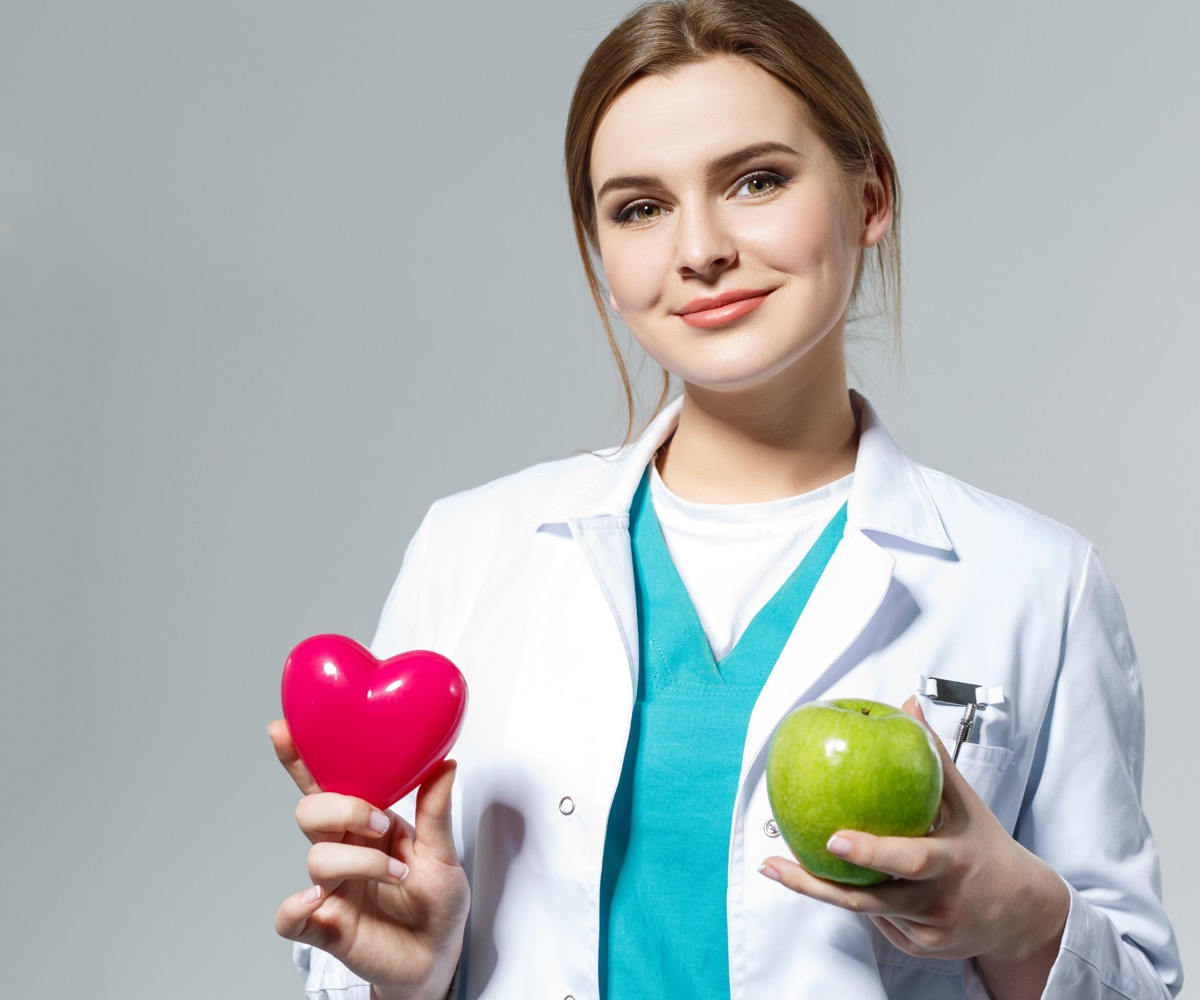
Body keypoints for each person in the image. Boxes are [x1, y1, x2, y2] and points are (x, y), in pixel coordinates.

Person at [268, 1, 1182, 997]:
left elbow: (1139, 982)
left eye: (756, 180)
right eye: (640, 207)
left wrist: (1021, 916)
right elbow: (349, 961)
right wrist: (409, 974)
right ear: (605, 260)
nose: (698, 249)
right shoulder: (471, 549)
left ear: (869, 196)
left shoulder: (1038, 585)